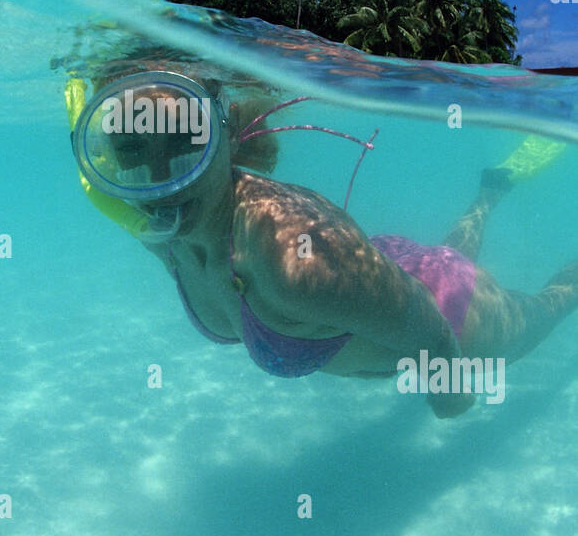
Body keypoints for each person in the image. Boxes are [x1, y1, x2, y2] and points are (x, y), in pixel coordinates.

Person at [68, 63, 577, 418]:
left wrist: (450, 400)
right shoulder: (164, 234)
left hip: (455, 318)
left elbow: (436, 336)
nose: (166, 180)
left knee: (552, 305)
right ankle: (489, 194)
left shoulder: (295, 262)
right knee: (448, 260)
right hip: (383, 271)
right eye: (131, 149)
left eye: (186, 143)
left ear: (230, 134)